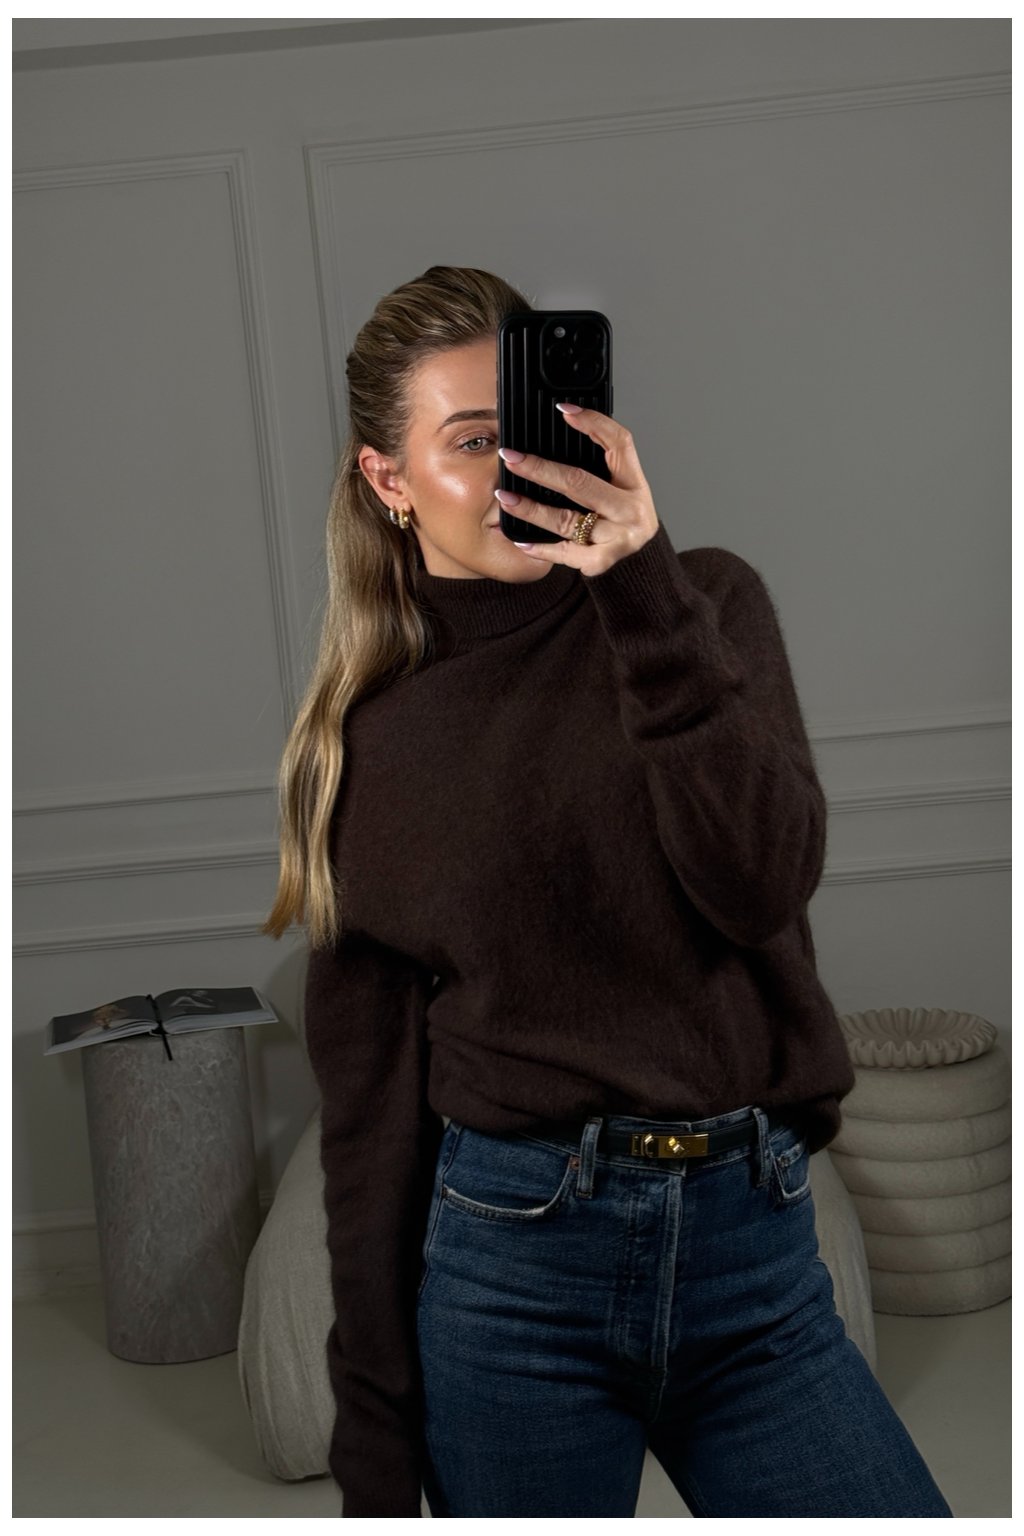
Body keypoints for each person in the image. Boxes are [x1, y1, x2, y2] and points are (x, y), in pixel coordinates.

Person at [262, 265, 954, 1519]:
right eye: (472, 441)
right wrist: (375, 1461)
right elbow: (367, 1132)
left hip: (751, 1255)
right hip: (514, 1275)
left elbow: (759, 882)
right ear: (387, 479)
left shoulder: (701, 605)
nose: (514, 470)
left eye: (532, 428)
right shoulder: (367, 745)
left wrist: (639, 583)